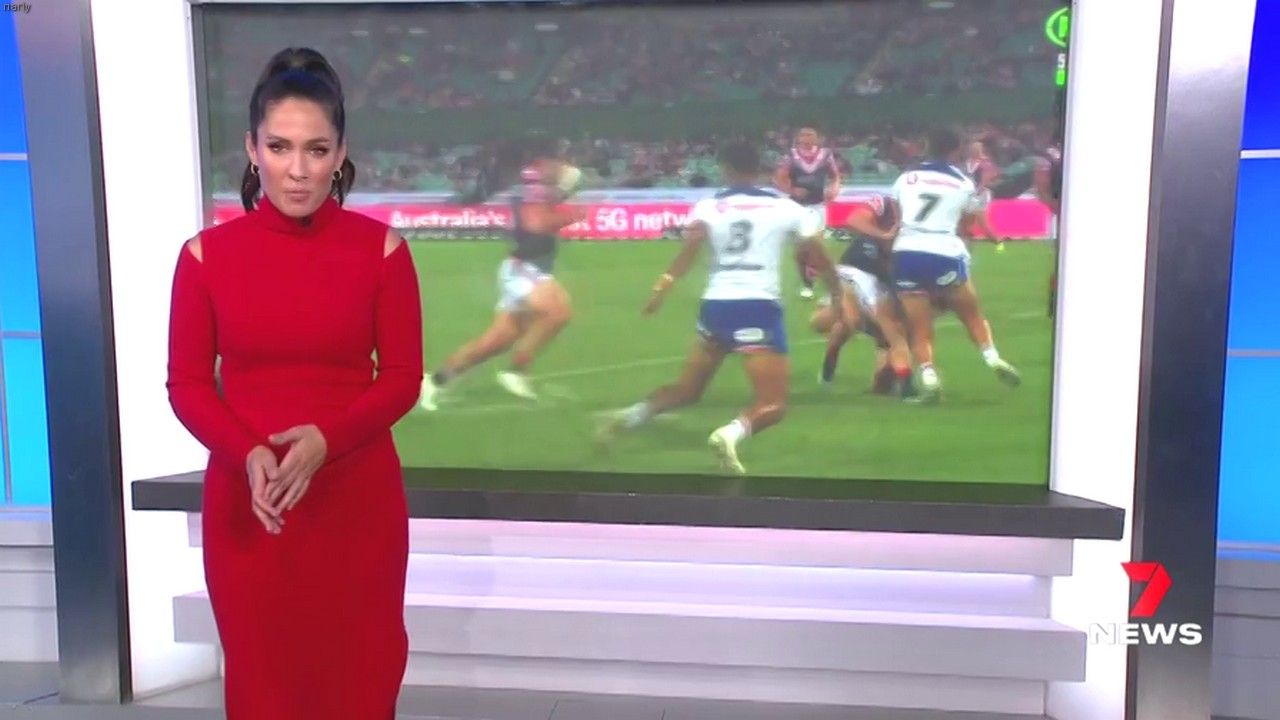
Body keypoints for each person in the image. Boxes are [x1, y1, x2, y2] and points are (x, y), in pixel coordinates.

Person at [166, 48, 422, 719]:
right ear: (253, 150)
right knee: (265, 692)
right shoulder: (204, 258)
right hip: (252, 510)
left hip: (355, 507)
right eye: (280, 147)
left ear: (341, 154)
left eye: (316, 149)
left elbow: (402, 379)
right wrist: (248, 452)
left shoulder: (384, 252)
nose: (299, 169)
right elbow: (187, 385)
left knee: (360, 687)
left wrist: (326, 442)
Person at [599, 140, 843, 474]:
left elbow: (688, 252)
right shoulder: (786, 208)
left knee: (687, 391)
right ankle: (730, 434)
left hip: (715, 308)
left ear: (725, 170)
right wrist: (836, 291)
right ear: (761, 171)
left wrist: (661, 289)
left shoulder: (708, 207)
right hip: (757, 307)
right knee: (773, 404)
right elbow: (818, 254)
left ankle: (628, 418)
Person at [420, 135, 585, 408]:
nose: (562, 164)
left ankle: (434, 381)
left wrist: (563, 196)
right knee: (558, 312)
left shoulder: (534, 183)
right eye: (558, 158)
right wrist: (571, 214)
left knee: (494, 343)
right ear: (544, 159)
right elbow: (535, 223)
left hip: (528, 267)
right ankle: (517, 370)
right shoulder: (535, 183)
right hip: (525, 267)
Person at [890, 127, 1021, 403]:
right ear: (956, 150)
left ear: (927, 145)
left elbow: (897, 216)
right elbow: (967, 224)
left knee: (919, 326)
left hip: (907, 251)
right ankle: (992, 357)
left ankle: (929, 377)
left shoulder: (906, 178)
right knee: (971, 313)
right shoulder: (963, 183)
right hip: (944, 251)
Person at [810, 194, 914, 396]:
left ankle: (836, 359)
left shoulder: (901, 254)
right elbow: (854, 220)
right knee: (861, 322)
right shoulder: (875, 232)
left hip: (870, 285)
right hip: (853, 277)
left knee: (880, 336)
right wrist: (885, 235)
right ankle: (907, 387)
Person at [773, 126, 841, 299]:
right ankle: (807, 283)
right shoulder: (790, 156)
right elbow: (779, 179)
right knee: (800, 252)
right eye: (803, 135)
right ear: (798, 138)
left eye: (810, 135)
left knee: (816, 247)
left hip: (818, 206)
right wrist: (792, 190)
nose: (806, 138)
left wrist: (834, 188)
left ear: (817, 138)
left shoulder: (825, 155)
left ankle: (829, 286)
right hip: (797, 208)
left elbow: (835, 176)